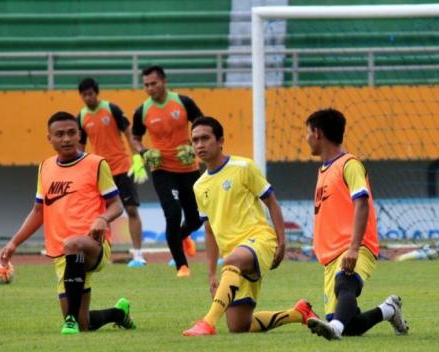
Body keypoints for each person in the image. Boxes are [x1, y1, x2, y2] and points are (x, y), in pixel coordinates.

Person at [0, 111, 136, 335]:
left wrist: (102, 218)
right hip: (63, 253)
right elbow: (38, 211)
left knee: (73, 244)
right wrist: (14, 243)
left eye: (72, 133)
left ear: (80, 135)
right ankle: (118, 313)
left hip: (94, 246)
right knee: (84, 325)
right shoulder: (45, 168)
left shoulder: (96, 164)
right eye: (59, 134)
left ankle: (70, 319)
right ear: (49, 138)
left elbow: (117, 205)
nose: (66, 139)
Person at [182, 116, 317, 336]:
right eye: (195, 140)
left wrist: (282, 242)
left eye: (205, 138)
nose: (199, 144)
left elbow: (271, 202)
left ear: (220, 141)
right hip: (232, 262)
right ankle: (298, 313)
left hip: (259, 240)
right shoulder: (199, 186)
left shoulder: (244, 166)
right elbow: (209, 230)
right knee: (239, 326)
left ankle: (207, 322)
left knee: (233, 259)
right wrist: (211, 274)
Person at [303, 108, 408, 341]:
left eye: (308, 132)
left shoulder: (349, 164)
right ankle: (389, 310)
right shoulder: (323, 170)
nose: (306, 138)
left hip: (355, 246)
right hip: (330, 256)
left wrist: (352, 247)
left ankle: (336, 329)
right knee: (350, 323)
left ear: (318, 133)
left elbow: (362, 204)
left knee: (346, 283)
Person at [130, 65, 204, 277]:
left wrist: (192, 146)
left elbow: (202, 124)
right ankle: (182, 265)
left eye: (153, 83)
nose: (150, 88)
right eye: (146, 85)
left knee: (196, 218)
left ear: (164, 81)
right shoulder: (142, 111)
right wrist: (144, 151)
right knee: (172, 214)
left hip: (188, 167)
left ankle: (182, 236)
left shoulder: (183, 102)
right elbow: (135, 137)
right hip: (162, 169)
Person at [77, 77, 147, 267]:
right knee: (102, 215)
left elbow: (129, 133)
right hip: (100, 171)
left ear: (96, 92)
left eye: (90, 93)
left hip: (122, 167)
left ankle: (138, 255)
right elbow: (81, 147)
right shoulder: (81, 117)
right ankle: (103, 255)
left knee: (131, 209)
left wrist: (137, 158)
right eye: (84, 95)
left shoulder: (112, 109)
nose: (88, 97)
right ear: (81, 96)